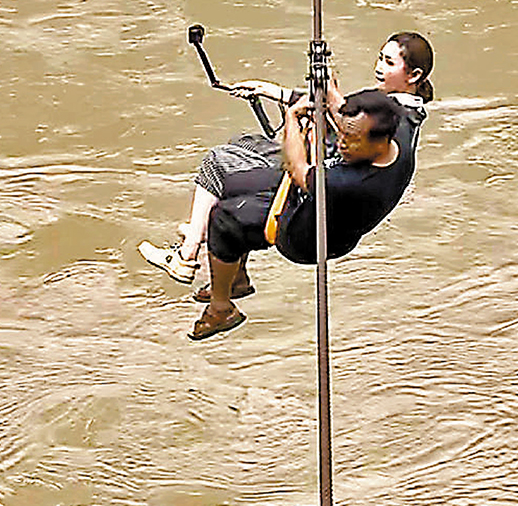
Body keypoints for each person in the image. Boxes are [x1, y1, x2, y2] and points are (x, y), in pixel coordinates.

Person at [137, 29, 434, 287]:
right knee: (244, 143)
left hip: (316, 186)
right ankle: (202, 231)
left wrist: (315, 104)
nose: (379, 67)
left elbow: (344, 124)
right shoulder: (394, 104)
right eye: (380, 58)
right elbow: (341, 113)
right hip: (325, 162)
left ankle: (187, 254)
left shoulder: (397, 122)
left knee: (218, 162)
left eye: (389, 62)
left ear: (414, 75)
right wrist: (272, 91)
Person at [189, 89, 415, 340]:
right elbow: (349, 113)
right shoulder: (401, 134)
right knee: (237, 167)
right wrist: (328, 89)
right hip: (323, 207)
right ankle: (235, 277)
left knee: (224, 219)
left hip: (305, 237)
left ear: (380, 142)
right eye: (342, 132)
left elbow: (297, 169)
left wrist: (291, 118)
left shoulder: (346, 183)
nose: (341, 142)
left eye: (351, 139)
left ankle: (221, 308)